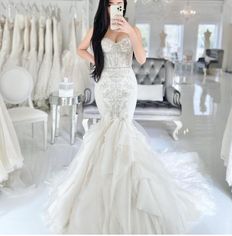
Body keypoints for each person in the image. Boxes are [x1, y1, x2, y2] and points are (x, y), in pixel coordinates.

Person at [44, 0, 214, 233]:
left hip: (125, 85)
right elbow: (80, 49)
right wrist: (97, 61)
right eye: (112, 3)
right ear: (105, 6)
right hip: (104, 85)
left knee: (122, 129)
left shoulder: (131, 29)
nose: (117, 7)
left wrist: (131, 34)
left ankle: (128, 187)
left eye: (120, 4)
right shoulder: (97, 29)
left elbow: (142, 59)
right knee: (106, 130)